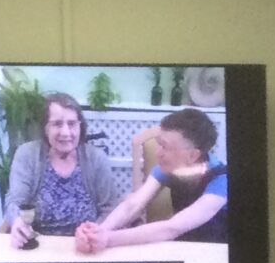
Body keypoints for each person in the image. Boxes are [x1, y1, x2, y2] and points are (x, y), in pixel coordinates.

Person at [75, 107, 229, 252]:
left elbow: (173, 227)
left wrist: (108, 239)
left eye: (165, 147)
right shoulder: (168, 168)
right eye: (158, 144)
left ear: (192, 155)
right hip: (181, 249)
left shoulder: (221, 180)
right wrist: (100, 230)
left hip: (216, 252)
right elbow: (133, 205)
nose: (157, 153)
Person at [3, 92, 124, 248]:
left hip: (86, 246)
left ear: (80, 126)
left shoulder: (96, 158)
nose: (66, 132)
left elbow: (109, 209)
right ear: (45, 128)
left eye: (72, 124)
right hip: (40, 245)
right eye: (57, 124)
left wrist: (93, 235)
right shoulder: (27, 154)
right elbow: (14, 202)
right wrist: (17, 221)